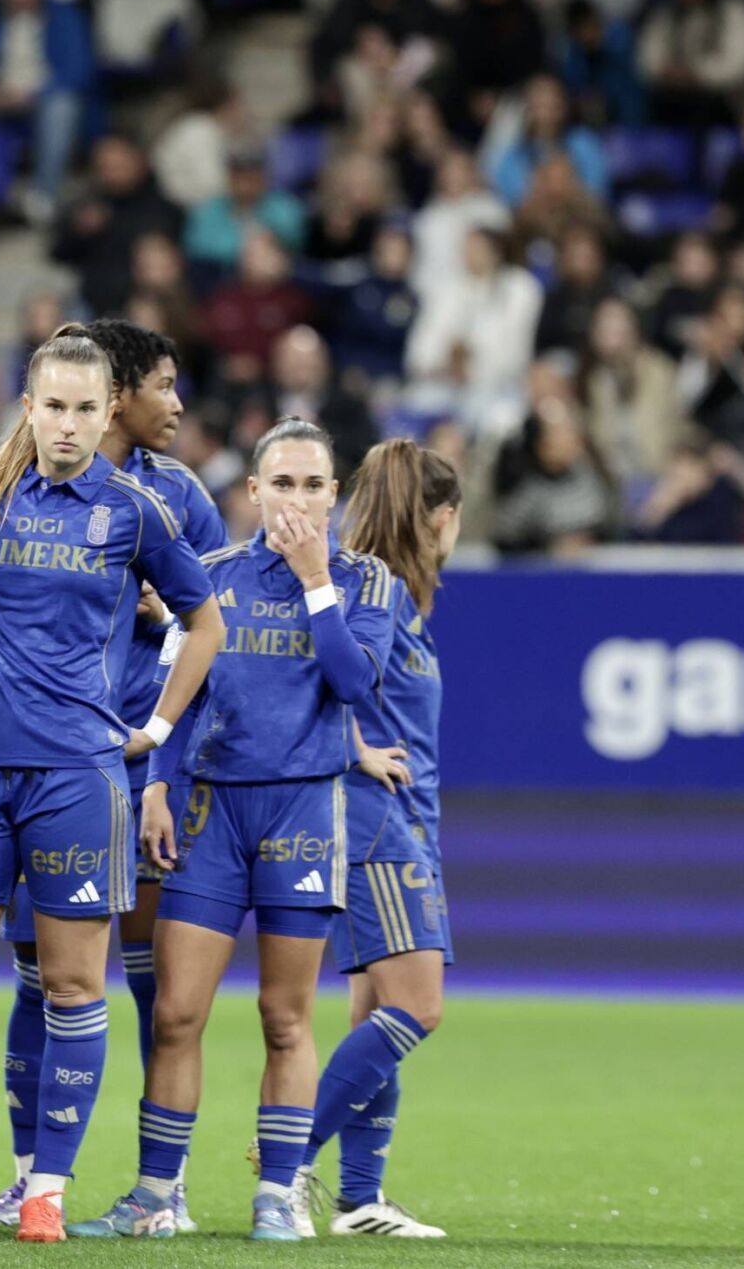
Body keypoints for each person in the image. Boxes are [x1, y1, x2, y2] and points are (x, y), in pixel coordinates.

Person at [0, 329, 225, 1244]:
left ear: (107, 418)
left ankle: (47, 1189)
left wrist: (160, 729)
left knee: (70, 985)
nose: (67, 423)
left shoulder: (137, 512)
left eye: (86, 409)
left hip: (78, 778)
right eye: (52, 406)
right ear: (28, 407)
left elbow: (206, 622)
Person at [0, 320, 229, 1237]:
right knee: (38, 977)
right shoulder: (11, 487)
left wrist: (163, 760)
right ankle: (27, 1174)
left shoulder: (176, 501)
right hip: (47, 762)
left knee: (154, 986)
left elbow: (212, 634)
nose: (176, 403)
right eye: (163, 384)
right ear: (117, 393)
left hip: (136, 775)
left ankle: (161, 1186)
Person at [140, 418, 399, 1241]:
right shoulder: (207, 577)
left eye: (312, 484)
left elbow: (356, 684)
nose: (295, 499)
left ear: (335, 494)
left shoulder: (367, 581)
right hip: (210, 811)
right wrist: (154, 785)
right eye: (280, 484)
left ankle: (277, 1193)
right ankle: (158, 1194)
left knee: (286, 1016)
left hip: (301, 812)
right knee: (178, 1011)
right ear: (252, 491)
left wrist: (316, 578)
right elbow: (174, 699)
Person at [299, 438, 462, 1238]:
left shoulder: (393, 591)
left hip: (398, 819)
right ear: (444, 518)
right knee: (418, 1007)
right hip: (377, 820)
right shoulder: (381, 589)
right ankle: (290, 1150)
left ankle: (360, 1197)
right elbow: (331, 674)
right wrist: (356, 750)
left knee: (376, 1014)